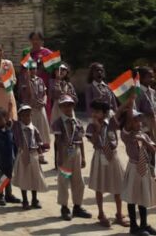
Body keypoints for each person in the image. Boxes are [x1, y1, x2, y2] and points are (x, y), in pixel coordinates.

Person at [86, 99, 127, 229]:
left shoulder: (111, 123)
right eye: (94, 111)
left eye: (97, 112)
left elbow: (119, 112)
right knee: (100, 186)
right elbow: (92, 141)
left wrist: (128, 102)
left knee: (118, 185)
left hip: (113, 156)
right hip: (100, 155)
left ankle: (119, 214)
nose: (94, 114)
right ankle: (101, 213)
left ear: (104, 113)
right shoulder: (91, 126)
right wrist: (98, 129)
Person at [51, 95, 91, 221]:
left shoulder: (77, 122)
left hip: (76, 152)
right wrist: (59, 158)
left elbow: (81, 141)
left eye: (69, 105)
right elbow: (57, 142)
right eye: (64, 105)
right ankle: (64, 207)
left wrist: (83, 157)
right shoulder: (58, 123)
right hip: (65, 153)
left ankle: (77, 206)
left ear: (73, 106)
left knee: (78, 180)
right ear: (60, 107)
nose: (67, 108)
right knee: (64, 180)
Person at [120, 104, 156, 235]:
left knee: (142, 197)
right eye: (135, 120)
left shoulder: (143, 135)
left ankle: (144, 224)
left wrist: (145, 141)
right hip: (134, 168)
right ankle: (134, 227)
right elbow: (127, 123)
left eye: (139, 119)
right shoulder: (127, 136)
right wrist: (130, 102)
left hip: (144, 168)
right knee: (132, 197)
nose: (138, 122)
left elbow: (153, 149)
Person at [11, 105, 47, 210]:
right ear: (20, 116)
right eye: (24, 115)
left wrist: (40, 155)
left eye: (29, 115)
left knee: (34, 177)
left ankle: (34, 199)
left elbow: (39, 143)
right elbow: (10, 122)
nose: (27, 117)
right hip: (23, 155)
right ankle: (25, 200)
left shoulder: (34, 129)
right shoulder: (17, 128)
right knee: (24, 178)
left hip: (33, 154)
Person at [0, 108, 20, 206]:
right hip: (0, 159)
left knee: (9, 176)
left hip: (10, 158)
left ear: (5, 118)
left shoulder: (10, 130)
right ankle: (0, 195)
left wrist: (16, 155)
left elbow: (14, 143)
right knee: (1, 177)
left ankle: (9, 195)